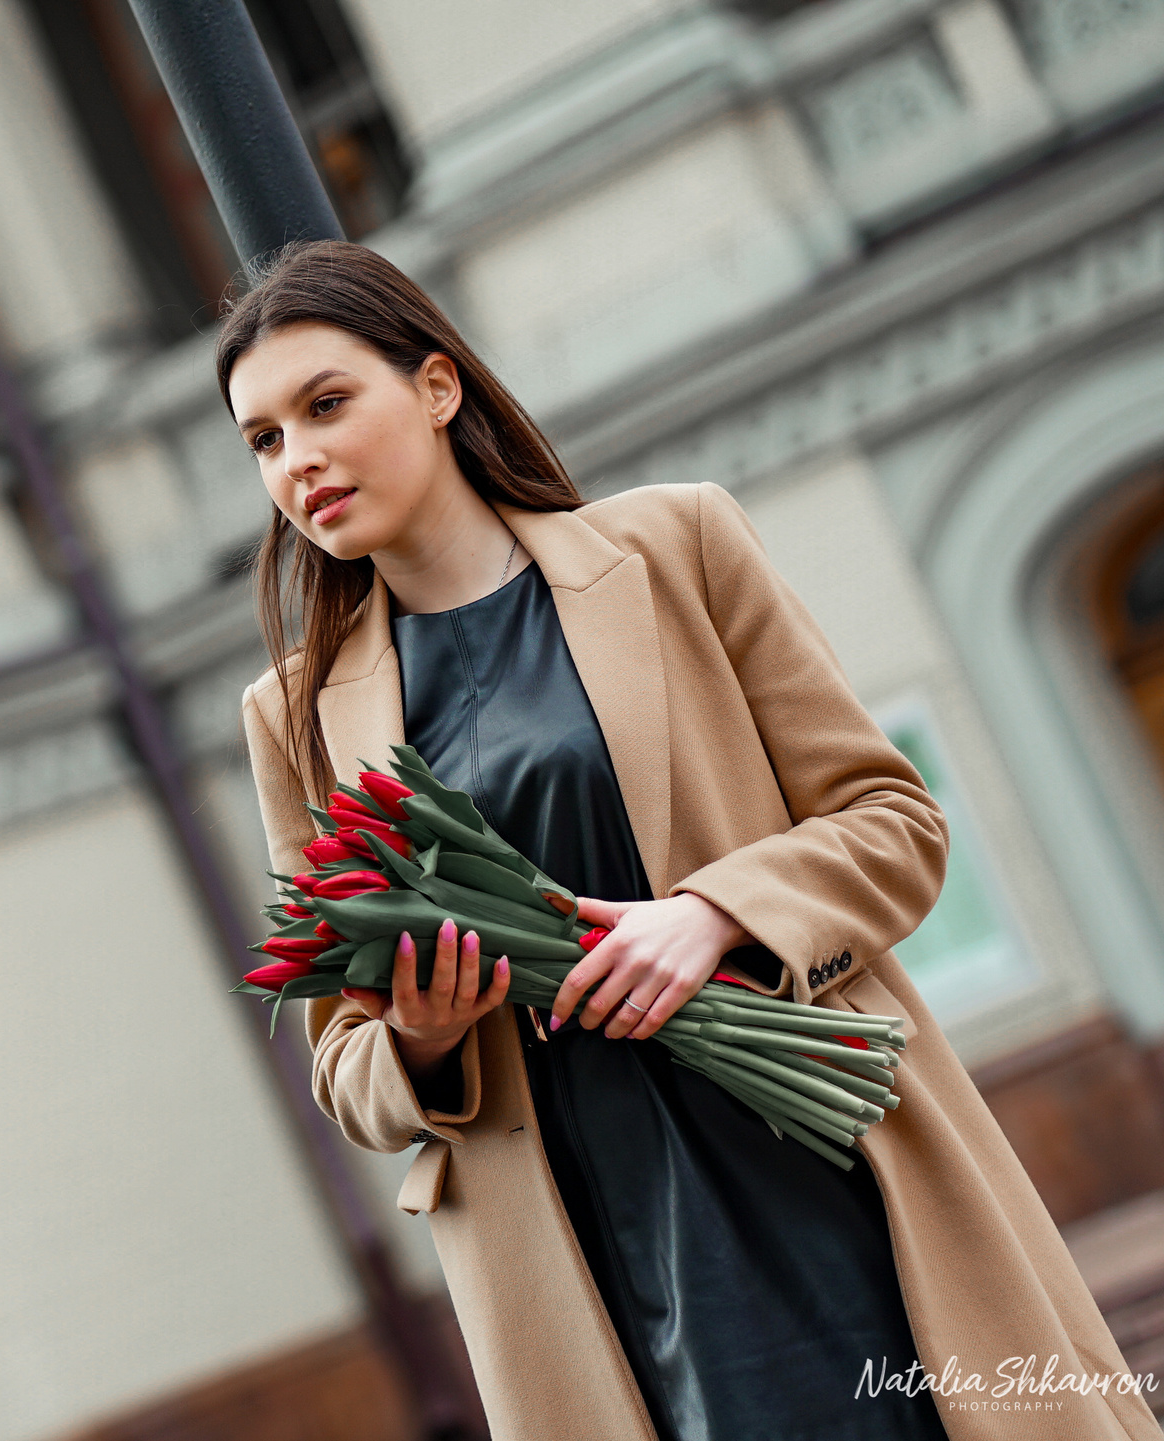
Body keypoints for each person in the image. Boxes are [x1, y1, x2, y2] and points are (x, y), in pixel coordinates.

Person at [226, 240, 1159, 1441]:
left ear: (438, 387)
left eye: (325, 405)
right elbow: (343, 1068)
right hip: (591, 1245)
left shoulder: (676, 546)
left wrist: (714, 915)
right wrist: (421, 1036)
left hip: (823, 1160)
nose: (297, 460)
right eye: (263, 439)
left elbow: (893, 825)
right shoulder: (295, 716)